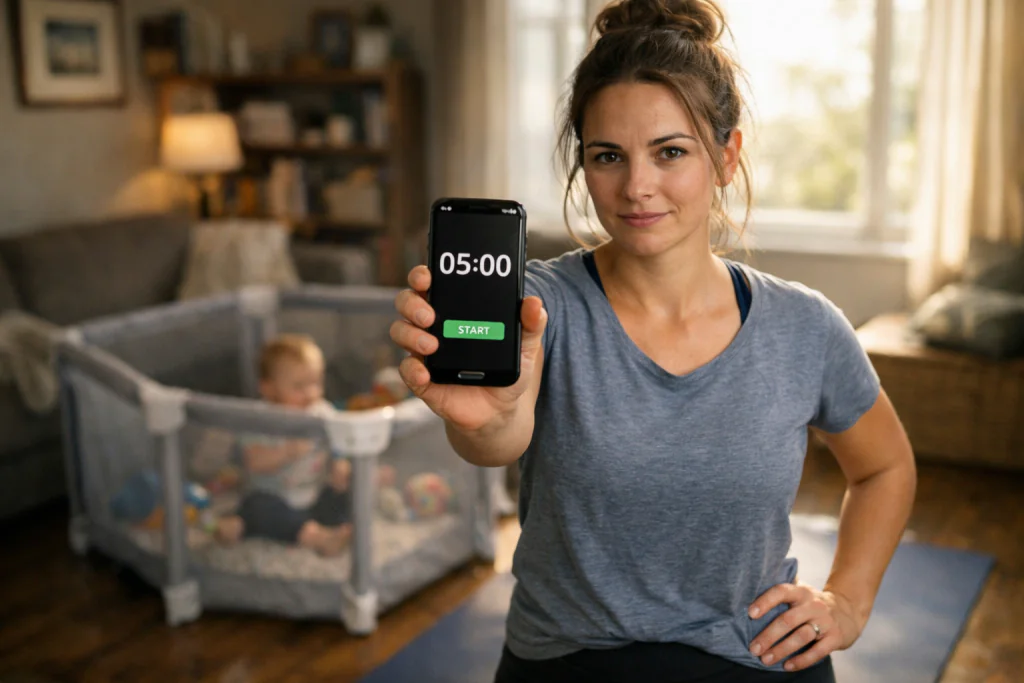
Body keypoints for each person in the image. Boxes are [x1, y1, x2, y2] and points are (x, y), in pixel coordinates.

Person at [390, 0, 917, 680]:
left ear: (726, 156)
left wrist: (848, 598)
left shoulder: (805, 326)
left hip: (755, 655)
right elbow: (496, 434)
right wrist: (486, 419)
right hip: (570, 659)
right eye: (609, 156)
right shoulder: (535, 304)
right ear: (583, 166)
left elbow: (885, 468)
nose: (637, 187)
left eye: (670, 151)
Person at [215, 334, 354, 556]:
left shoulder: (321, 411)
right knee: (259, 509)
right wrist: (288, 451)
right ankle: (315, 537)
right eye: (299, 386)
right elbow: (253, 462)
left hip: (313, 496)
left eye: (316, 382)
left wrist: (340, 464)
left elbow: (338, 440)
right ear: (268, 388)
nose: (310, 393)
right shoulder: (260, 419)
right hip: (274, 498)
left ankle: (344, 529)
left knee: (347, 490)